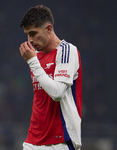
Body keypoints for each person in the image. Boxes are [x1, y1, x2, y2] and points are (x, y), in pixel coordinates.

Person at [19, 5, 82, 150]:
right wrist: (34, 61)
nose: (30, 40)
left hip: (60, 140)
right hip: (33, 140)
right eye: (27, 35)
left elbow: (57, 93)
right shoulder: (35, 56)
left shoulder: (67, 51)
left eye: (33, 33)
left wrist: (33, 62)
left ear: (48, 29)